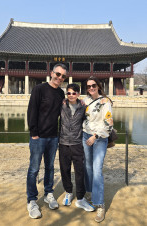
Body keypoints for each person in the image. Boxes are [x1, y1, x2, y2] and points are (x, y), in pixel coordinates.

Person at [26, 63, 67, 219]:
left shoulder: (61, 94)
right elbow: (32, 111)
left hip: (53, 136)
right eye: (58, 74)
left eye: (63, 76)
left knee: (49, 167)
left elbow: (65, 110)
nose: (59, 78)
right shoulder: (39, 89)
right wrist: (34, 133)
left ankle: (49, 193)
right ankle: (31, 200)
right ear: (51, 73)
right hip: (39, 137)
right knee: (34, 169)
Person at [59, 83, 95, 212]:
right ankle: (68, 192)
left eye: (74, 93)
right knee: (65, 170)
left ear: (78, 94)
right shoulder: (62, 105)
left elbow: (93, 119)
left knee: (80, 172)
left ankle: (80, 198)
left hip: (77, 144)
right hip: (63, 143)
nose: (71, 95)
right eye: (68, 93)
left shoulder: (83, 107)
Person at [82, 76, 113, 223]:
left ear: (98, 86)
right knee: (87, 166)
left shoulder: (105, 101)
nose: (91, 88)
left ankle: (100, 204)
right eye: (88, 86)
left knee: (97, 168)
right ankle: (90, 193)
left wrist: (95, 135)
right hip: (85, 136)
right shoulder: (86, 100)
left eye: (93, 85)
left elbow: (108, 122)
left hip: (99, 138)